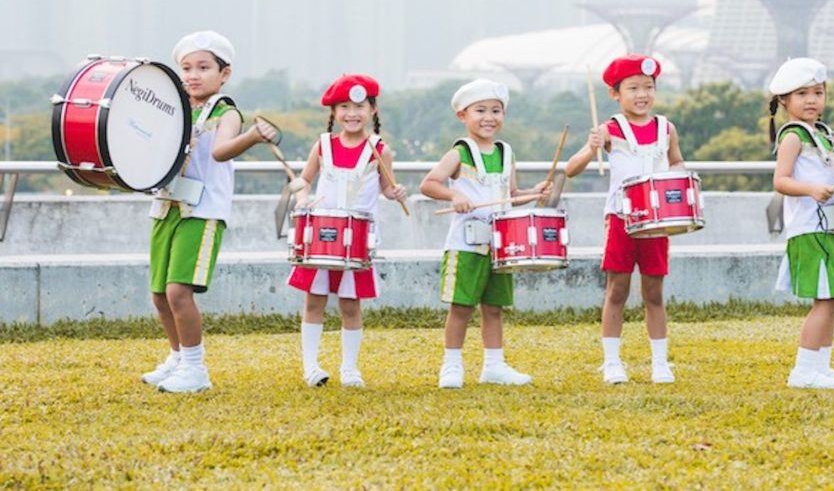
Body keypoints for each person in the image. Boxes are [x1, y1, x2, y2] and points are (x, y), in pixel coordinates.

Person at [142, 30, 278, 393]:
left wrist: (250, 136)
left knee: (177, 292)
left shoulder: (224, 110)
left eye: (203, 67)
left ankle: (194, 368)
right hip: (166, 204)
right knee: (158, 294)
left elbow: (220, 151)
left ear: (224, 73)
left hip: (202, 211)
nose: (193, 75)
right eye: (186, 67)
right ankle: (177, 357)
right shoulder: (176, 106)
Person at [419, 79, 550, 389]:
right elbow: (429, 183)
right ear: (462, 115)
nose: (489, 117)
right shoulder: (459, 152)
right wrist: (454, 197)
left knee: (494, 307)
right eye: (480, 110)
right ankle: (451, 366)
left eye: (496, 110)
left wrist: (534, 193)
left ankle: (494, 365)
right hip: (466, 242)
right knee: (461, 307)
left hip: (501, 243)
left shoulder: (507, 152)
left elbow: (511, 194)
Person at [565, 55, 684, 385]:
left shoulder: (666, 128)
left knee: (654, 292)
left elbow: (676, 162)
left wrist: (678, 177)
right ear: (615, 93)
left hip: (657, 221)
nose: (642, 94)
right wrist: (591, 149)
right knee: (617, 289)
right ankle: (612, 361)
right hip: (621, 218)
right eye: (633, 88)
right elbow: (571, 170)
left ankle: (660, 362)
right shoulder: (610, 129)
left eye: (648, 87)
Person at [287, 74, 407, 388]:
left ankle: (349, 368)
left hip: (357, 238)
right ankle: (310, 366)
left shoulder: (380, 149)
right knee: (314, 300)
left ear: (373, 110)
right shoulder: (323, 145)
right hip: (323, 234)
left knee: (350, 305)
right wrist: (303, 199)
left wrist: (396, 193)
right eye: (344, 107)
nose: (351, 113)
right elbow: (304, 180)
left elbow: (385, 187)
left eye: (359, 106)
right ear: (334, 113)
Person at [768, 57, 834, 389]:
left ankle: (822, 366)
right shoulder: (793, 136)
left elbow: (827, 174)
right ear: (784, 101)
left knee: (832, 298)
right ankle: (803, 370)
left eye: (817, 92)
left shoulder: (821, 133)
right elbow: (781, 180)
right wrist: (810, 189)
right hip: (810, 228)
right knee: (824, 299)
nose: (811, 100)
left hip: (830, 226)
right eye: (802, 93)